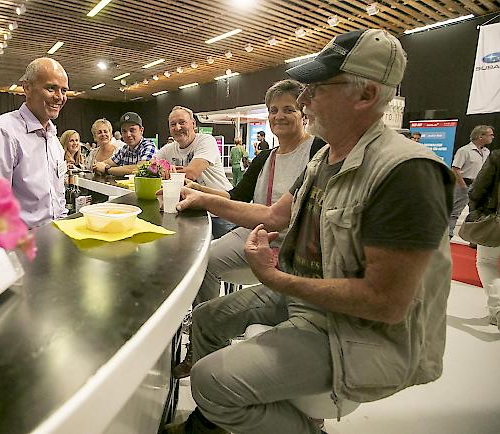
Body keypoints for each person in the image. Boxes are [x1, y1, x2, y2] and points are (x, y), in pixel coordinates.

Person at [163, 29, 454, 434]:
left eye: (316, 89)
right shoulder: (326, 160)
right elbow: (276, 216)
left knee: (211, 380)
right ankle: (215, 421)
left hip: (358, 332)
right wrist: (209, 201)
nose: (303, 101)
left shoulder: (406, 173)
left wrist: (276, 277)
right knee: (208, 319)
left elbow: (385, 303)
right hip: (308, 301)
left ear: (366, 95)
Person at [172, 80, 325, 380]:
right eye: (273, 110)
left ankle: (212, 337)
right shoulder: (264, 158)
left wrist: (202, 197)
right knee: (203, 261)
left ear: (304, 113)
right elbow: (234, 196)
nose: (279, 116)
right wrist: (195, 188)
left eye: (288, 110)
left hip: (290, 246)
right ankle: (202, 342)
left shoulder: (318, 151)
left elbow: (277, 216)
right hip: (252, 235)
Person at [0, 57, 69, 228]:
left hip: (55, 237)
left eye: (63, 90)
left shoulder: (54, 140)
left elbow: (57, 198)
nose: (59, 97)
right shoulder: (0, 132)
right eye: (51, 88)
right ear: (27, 87)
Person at [157, 106, 232, 191]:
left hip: (222, 199)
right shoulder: (168, 149)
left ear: (193, 124)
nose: (177, 128)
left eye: (182, 122)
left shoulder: (206, 141)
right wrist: (158, 169)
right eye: (173, 124)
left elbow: (191, 173)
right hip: (195, 201)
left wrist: (165, 173)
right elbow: (146, 166)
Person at [468, 149, 500, 330]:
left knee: (486, 262)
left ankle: (497, 309)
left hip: (495, 220)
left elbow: (478, 189)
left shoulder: (496, 156)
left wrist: (477, 212)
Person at [449, 125, 494, 238]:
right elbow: (455, 169)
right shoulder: (464, 150)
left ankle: (474, 238)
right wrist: (463, 187)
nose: (493, 137)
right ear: (480, 136)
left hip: (479, 186)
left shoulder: (487, 151)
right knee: (455, 212)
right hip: (464, 183)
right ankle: (447, 235)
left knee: (477, 213)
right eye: (490, 135)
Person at [93, 112, 155, 177]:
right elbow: (109, 162)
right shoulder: (124, 149)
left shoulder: (148, 146)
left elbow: (140, 169)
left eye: (132, 130)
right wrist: (98, 165)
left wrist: (107, 169)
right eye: (124, 131)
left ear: (141, 130)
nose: (128, 135)